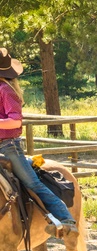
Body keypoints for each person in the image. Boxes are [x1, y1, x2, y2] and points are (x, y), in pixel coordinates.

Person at [0, 47, 78, 238]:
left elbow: (16, 121)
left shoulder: (5, 90)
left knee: (33, 183)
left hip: (7, 146)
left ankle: (66, 219)